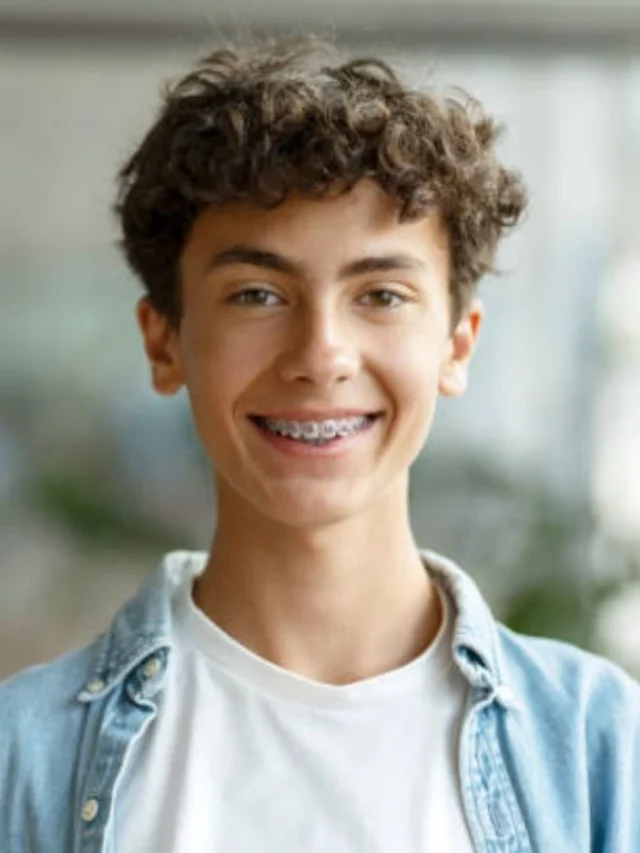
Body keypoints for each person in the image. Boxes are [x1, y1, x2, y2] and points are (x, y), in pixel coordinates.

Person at [1, 35, 638, 853]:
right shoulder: (26, 759)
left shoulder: (600, 747)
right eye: (258, 293)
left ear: (457, 344)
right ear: (165, 342)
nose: (321, 355)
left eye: (381, 293)